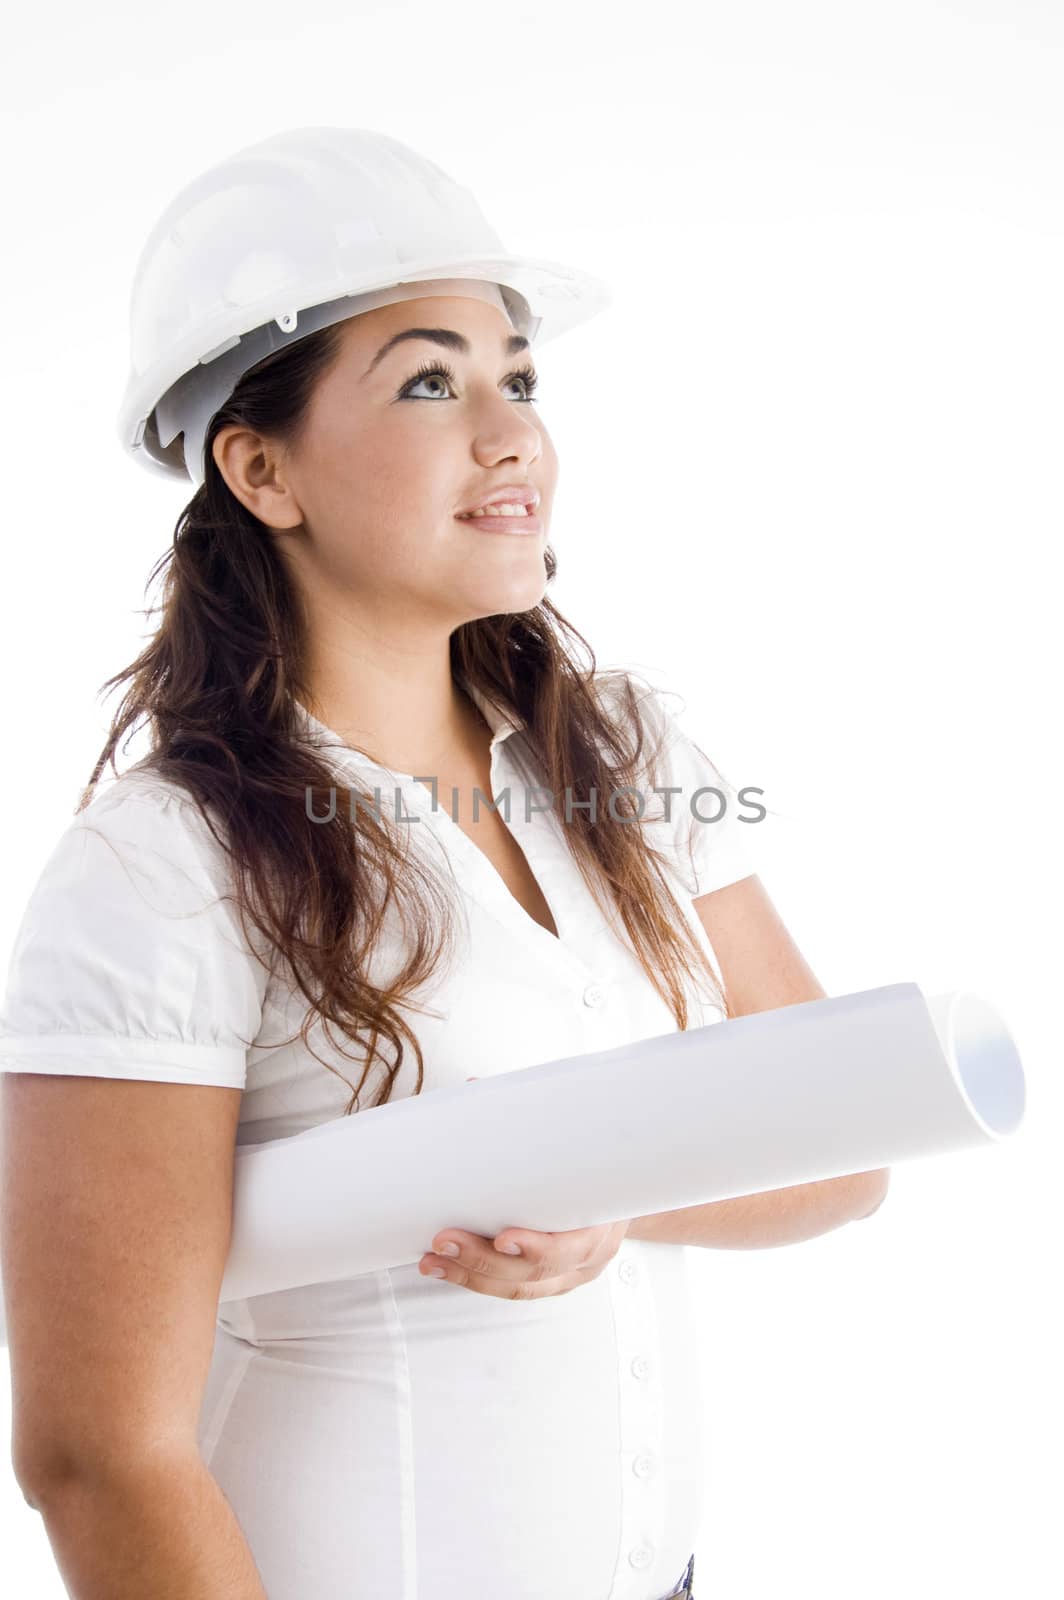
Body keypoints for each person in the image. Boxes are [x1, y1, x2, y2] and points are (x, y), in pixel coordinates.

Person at [0, 128, 888, 1599]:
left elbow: (839, 1148)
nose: (513, 433)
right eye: (431, 380)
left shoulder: (634, 761)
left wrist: (615, 1205)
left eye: (519, 378)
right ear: (259, 466)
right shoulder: (162, 870)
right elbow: (98, 1452)